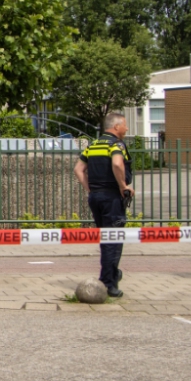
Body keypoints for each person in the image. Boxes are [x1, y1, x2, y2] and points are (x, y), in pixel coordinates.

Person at [74, 112, 134, 298]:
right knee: (113, 241)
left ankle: (112, 273)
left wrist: (90, 189)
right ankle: (109, 283)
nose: (126, 128)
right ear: (116, 127)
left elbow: (78, 169)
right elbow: (117, 164)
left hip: (96, 198)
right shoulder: (116, 144)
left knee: (106, 239)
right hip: (112, 198)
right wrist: (123, 186)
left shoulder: (93, 145)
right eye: (124, 125)